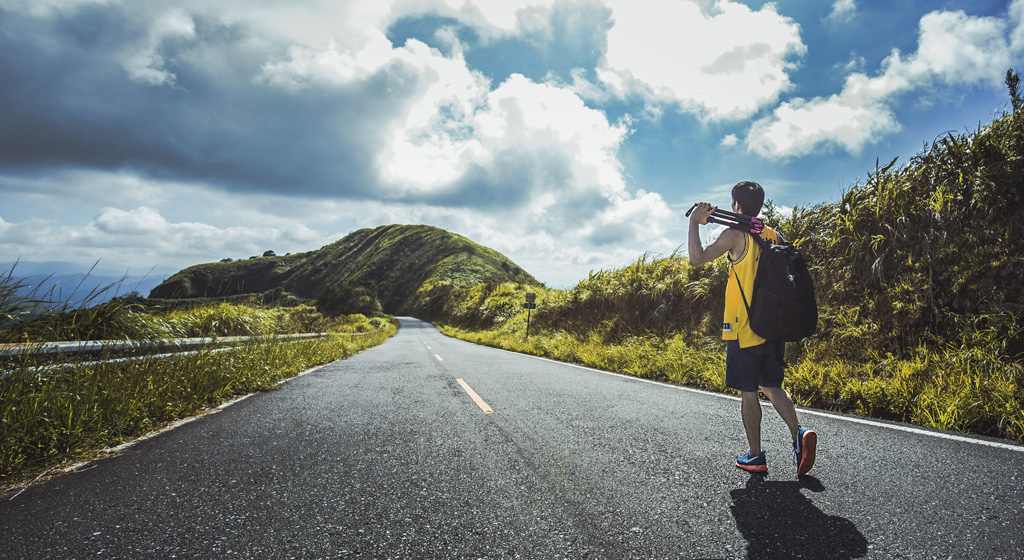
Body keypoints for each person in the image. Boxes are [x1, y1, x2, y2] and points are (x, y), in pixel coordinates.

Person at [687, 181, 816, 476]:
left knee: (749, 392)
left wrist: (695, 222)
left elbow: (696, 259)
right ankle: (799, 435)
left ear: (735, 205)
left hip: (744, 328)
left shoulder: (734, 234)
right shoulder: (772, 234)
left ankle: (755, 456)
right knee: (771, 385)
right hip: (773, 327)